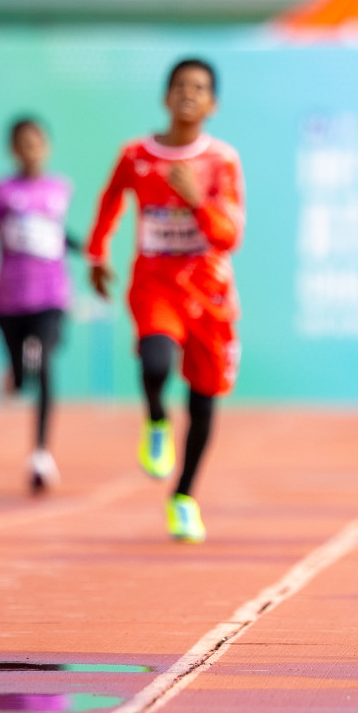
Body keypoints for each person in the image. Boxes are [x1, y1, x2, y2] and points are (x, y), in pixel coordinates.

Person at [87, 59, 244, 544]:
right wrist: (97, 253)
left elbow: (229, 235)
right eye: (180, 86)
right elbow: (111, 200)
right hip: (155, 283)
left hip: (209, 294)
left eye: (199, 88)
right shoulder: (136, 154)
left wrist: (198, 199)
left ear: (213, 104)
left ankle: (184, 497)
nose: (188, 94)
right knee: (155, 361)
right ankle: (156, 419)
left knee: (203, 402)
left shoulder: (222, 161)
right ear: (165, 97)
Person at [0, 118, 74, 494]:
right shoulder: (1, 192)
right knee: (24, 376)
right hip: (10, 300)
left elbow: (56, 233)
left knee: (43, 360)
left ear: (47, 146)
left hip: (51, 297)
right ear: (13, 149)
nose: (30, 149)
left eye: (37, 142)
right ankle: (16, 372)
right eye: (22, 143)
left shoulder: (59, 189)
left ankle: (41, 452)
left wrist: (89, 250)